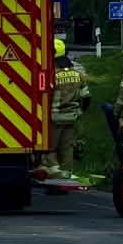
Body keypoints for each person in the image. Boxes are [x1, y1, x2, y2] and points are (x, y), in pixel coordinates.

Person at [44, 38, 90, 178]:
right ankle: (66, 176)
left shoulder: (52, 75)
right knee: (67, 148)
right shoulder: (78, 74)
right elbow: (86, 97)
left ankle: (54, 171)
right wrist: (80, 112)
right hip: (72, 117)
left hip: (55, 118)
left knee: (50, 148)